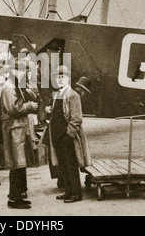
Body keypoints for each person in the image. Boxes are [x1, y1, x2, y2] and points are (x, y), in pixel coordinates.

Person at [43, 66, 91, 203]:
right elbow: (54, 113)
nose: (59, 80)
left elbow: (77, 118)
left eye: (62, 77)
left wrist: (68, 135)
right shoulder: (56, 94)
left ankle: (76, 193)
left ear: (68, 78)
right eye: (57, 77)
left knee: (71, 165)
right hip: (56, 136)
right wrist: (47, 110)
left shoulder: (73, 95)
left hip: (66, 136)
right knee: (62, 165)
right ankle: (68, 191)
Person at [0, 58, 39, 209]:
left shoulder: (15, 85)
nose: (25, 73)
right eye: (23, 70)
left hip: (17, 129)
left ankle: (19, 195)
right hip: (14, 130)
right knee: (16, 165)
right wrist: (29, 106)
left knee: (20, 164)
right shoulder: (9, 87)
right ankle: (14, 199)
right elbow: (14, 109)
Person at [54, 76, 93, 189]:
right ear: (81, 89)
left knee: (68, 161)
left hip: (67, 132)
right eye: (84, 91)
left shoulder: (67, 94)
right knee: (71, 161)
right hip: (70, 133)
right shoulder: (74, 96)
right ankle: (70, 188)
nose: (84, 94)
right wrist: (69, 134)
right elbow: (76, 118)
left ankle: (69, 187)